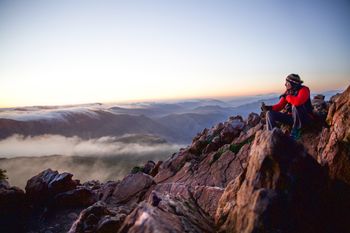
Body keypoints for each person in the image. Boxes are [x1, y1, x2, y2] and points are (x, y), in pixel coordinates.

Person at [261, 74, 314, 140]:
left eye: (287, 82)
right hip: (292, 119)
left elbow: (298, 102)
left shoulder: (304, 90)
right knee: (269, 113)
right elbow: (280, 106)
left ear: (292, 83)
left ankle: (297, 130)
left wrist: (287, 97)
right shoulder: (288, 92)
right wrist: (269, 108)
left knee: (296, 106)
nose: (285, 84)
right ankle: (273, 136)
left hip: (305, 118)